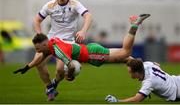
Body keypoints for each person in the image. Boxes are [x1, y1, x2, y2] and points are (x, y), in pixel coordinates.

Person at [14, 14, 150, 101]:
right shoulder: (51, 43)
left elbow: (71, 66)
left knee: (125, 53)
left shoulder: (57, 50)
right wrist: (27, 67)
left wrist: (70, 76)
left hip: (92, 54)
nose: (37, 51)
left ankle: (134, 26)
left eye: (38, 48)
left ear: (44, 43)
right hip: (91, 51)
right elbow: (42, 56)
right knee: (125, 58)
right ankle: (148, 68)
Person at [30, 0, 92, 100]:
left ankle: (54, 83)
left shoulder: (75, 4)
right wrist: (40, 35)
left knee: (60, 70)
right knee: (38, 63)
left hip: (67, 42)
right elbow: (37, 20)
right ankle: (49, 87)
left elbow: (88, 16)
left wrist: (83, 31)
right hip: (51, 40)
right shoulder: (50, 5)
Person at [105, 58, 180, 103]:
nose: (129, 74)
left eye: (130, 72)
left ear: (137, 73)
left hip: (177, 92)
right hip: (176, 79)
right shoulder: (147, 64)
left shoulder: (149, 82)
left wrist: (118, 101)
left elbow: (137, 99)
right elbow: (157, 64)